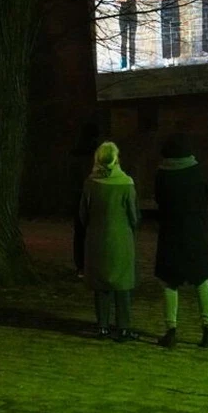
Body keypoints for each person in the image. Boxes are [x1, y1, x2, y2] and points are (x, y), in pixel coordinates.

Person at [153, 133, 208, 349]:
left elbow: (159, 200)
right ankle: (207, 329)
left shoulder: (162, 174)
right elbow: (206, 197)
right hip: (195, 231)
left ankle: (171, 330)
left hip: (171, 232)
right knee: (201, 280)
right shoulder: (197, 171)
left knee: (169, 282)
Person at [78, 141, 140, 342]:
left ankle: (102, 326)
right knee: (122, 285)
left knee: (101, 284)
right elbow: (134, 215)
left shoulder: (90, 183)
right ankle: (123, 327)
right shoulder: (126, 183)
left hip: (97, 239)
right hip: (121, 238)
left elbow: (82, 214)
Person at [70, 121, 101, 277]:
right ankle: (92, 265)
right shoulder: (97, 154)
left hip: (79, 194)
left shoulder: (77, 154)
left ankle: (81, 266)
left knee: (80, 231)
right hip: (94, 194)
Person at [158, 0, 182, 66]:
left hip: (174, 4)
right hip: (165, 6)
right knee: (166, 32)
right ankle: (167, 58)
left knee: (175, 31)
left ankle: (176, 57)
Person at [117, 0, 139, 70]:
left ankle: (133, 64)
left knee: (132, 39)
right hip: (123, 13)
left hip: (133, 13)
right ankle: (124, 64)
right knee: (124, 40)